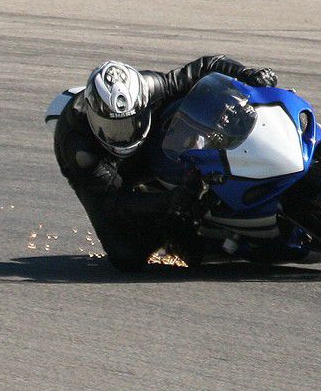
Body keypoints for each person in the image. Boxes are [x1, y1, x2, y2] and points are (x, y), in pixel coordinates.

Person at [53, 55, 278, 271]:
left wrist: (246, 73)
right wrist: (169, 201)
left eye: (130, 123)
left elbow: (206, 67)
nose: (124, 135)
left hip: (149, 138)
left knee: (194, 104)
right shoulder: (80, 149)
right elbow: (114, 201)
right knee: (126, 257)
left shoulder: (149, 86)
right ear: (92, 116)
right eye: (114, 129)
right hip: (107, 171)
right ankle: (177, 236)